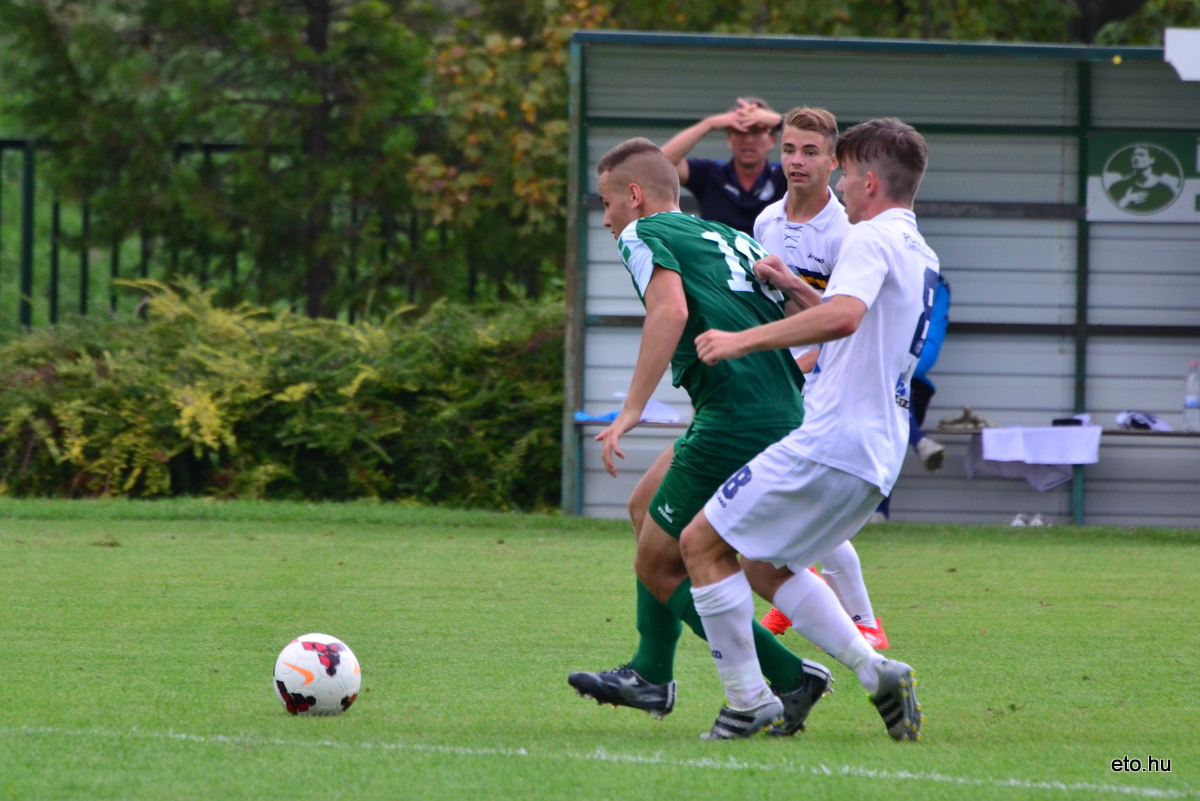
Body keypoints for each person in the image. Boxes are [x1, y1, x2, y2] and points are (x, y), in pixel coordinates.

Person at [679, 118, 935, 741]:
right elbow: (851, 320)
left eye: (846, 174)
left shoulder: (866, 237)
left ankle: (748, 701)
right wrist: (794, 287)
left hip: (832, 439)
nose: (841, 187)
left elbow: (843, 319)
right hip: (878, 454)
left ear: (868, 182)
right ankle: (876, 671)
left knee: (699, 545)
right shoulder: (918, 249)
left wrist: (742, 341)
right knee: (765, 565)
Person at [567, 137, 831, 736]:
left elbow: (671, 313)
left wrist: (631, 410)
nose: (605, 218)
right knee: (645, 508)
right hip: (775, 407)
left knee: (662, 564)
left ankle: (787, 676)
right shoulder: (729, 236)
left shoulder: (641, 233)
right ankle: (651, 673)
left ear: (635, 196)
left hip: (736, 418)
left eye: (606, 202)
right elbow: (795, 319)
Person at [748, 106, 888, 650]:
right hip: (779, 376)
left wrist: (798, 361)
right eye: (789, 149)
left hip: (828, 380)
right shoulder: (766, 221)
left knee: (804, 503)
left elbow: (846, 320)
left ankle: (863, 621)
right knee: (787, 500)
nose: (797, 161)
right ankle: (800, 599)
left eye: (811, 152)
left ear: (833, 162)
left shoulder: (847, 229)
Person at [872, 272, 950, 522]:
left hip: (906, 383)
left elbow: (928, 352)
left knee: (892, 397)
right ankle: (919, 440)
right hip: (866, 378)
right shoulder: (866, 271)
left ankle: (877, 513)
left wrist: (889, 368)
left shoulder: (936, 286)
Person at [660, 98, 787, 235]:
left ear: (772, 140)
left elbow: (805, 143)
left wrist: (780, 121)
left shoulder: (785, 176)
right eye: (740, 131)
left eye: (756, 131)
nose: (748, 140)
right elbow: (658, 166)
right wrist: (709, 123)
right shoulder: (710, 174)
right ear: (729, 139)